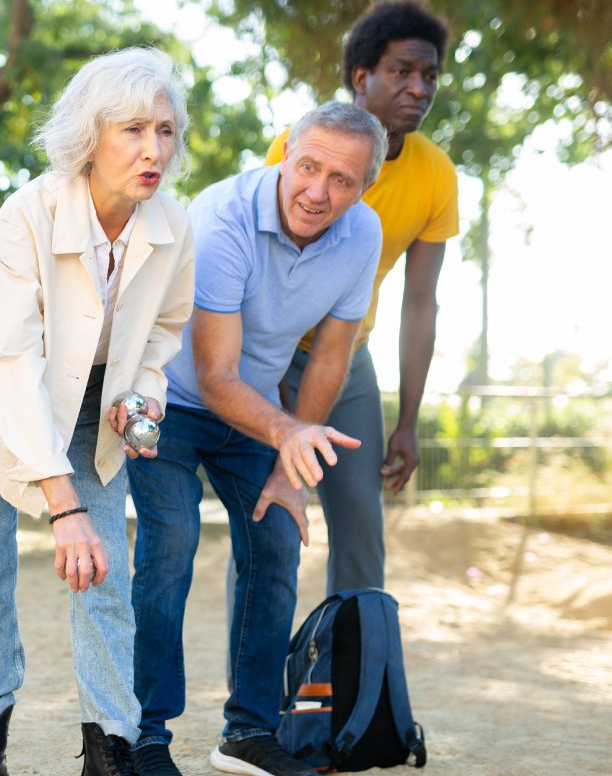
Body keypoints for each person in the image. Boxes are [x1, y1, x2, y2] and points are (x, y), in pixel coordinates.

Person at [0, 47, 195, 776]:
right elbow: (10, 361)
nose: (154, 150)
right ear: (90, 135)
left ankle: (108, 747)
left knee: (104, 569)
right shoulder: (28, 212)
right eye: (133, 130)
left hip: (95, 404)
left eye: (166, 131)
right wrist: (62, 502)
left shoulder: (174, 224)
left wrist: (143, 392)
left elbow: (164, 331)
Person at [127, 102, 386, 776]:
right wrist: (289, 433)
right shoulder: (222, 218)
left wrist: (288, 468)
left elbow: (331, 355)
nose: (319, 191)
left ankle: (247, 729)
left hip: (253, 412)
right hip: (169, 398)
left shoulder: (363, 234)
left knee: (276, 536)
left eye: (342, 179)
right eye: (308, 167)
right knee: (172, 543)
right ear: (285, 154)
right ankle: (145, 733)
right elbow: (212, 376)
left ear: (365, 186)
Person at [263, 0, 459, 594]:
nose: (419, 88)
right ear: (361, 77)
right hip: (271, 353)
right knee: (268, 524)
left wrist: (407, 421)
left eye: (429, 76)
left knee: (360, 534)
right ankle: (255, 687)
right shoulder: (297, 153)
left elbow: (420, 302)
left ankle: (349, 679)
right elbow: (262, 279)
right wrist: (270, 397)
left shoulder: (435, 173)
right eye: (402, 71)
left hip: (349, 362)